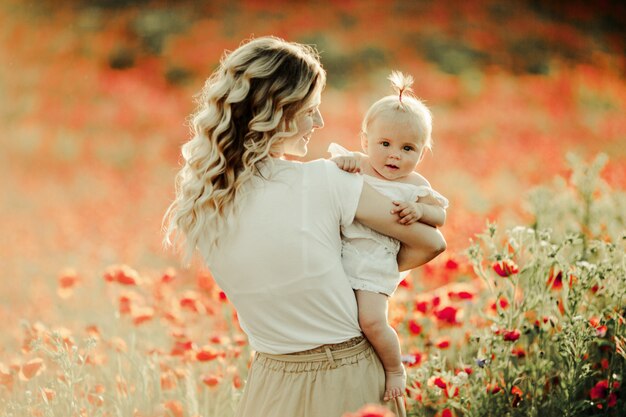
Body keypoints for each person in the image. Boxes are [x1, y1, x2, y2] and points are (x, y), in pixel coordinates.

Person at [163, 37, 446, 417]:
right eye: (311, 110)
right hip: (346, 378)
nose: (320, 122)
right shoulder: (325, 181)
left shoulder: (204, 202)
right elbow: (431, 241)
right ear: (278, 111)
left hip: (268, 385)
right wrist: (359, 272)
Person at [328, 71, 448, 402]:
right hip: (338, 255)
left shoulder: (414, 185)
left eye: (407, 148)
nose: (394, 155)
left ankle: (394, 368)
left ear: (422, 153)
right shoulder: (359, 164)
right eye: (385, 144)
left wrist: (420, 212)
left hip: (374, 263)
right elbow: (334, 167)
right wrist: (348, 161)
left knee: (370, 320)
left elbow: (440, 215)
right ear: (365, 141)